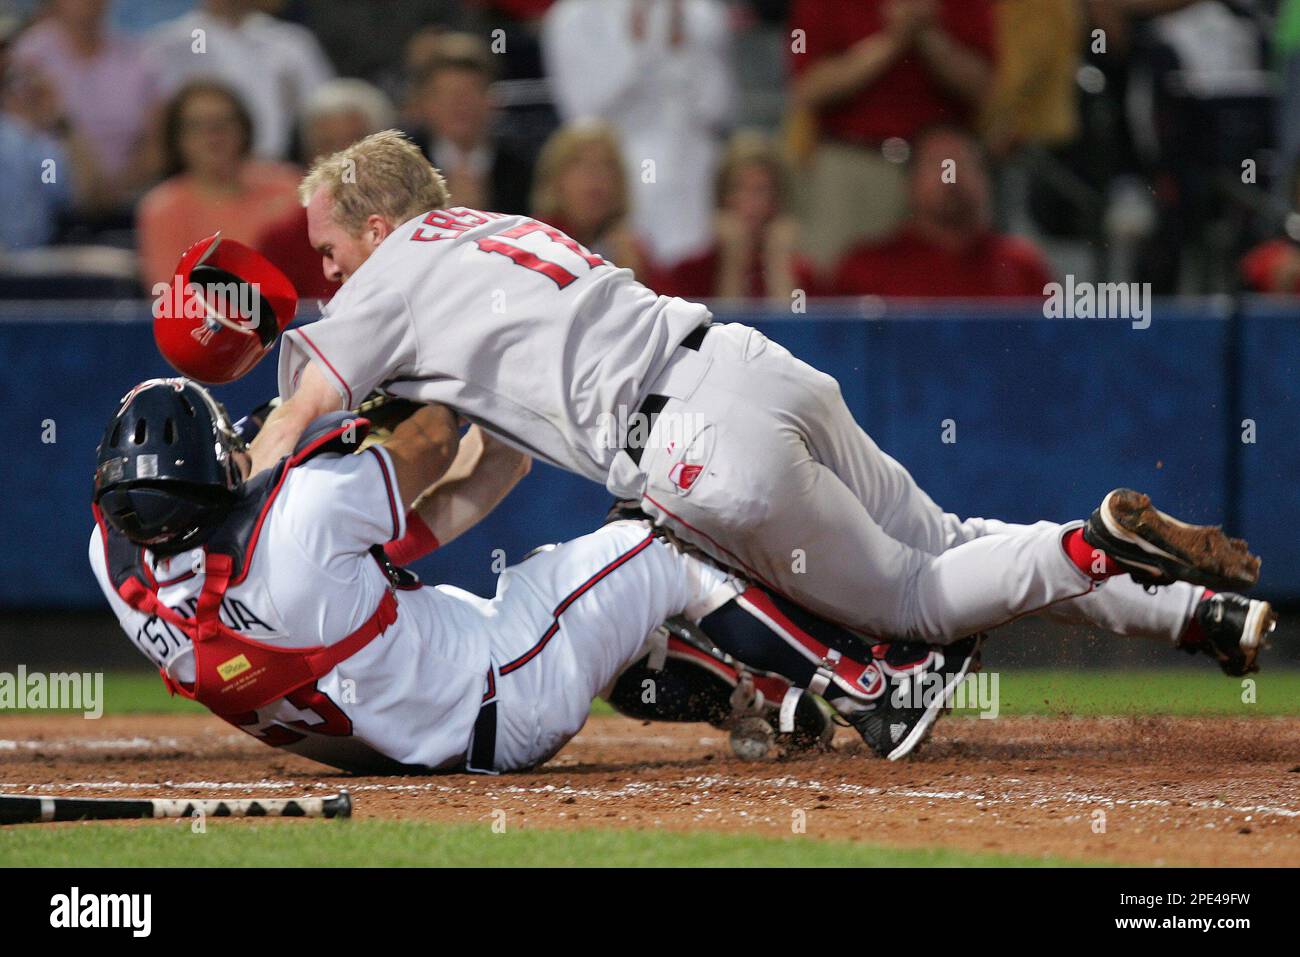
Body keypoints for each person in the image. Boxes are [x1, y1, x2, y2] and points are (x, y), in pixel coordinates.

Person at [181, 131, 1269, 667]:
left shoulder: (390, 273)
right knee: (946, 540)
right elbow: (502, 456)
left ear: (377, 226)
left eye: (331, 245)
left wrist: (239, 478)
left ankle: (1091, 545)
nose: (327, 271)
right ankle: (1197, 612)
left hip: (689, 443)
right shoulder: (497, 236)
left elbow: (301, 402)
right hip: (746, 361)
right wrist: (411, 543)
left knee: (918, 605)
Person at [89, 377, 988, 772]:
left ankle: (758, 698)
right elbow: (432, 438)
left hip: (420, 724)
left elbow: (420, 524)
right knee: (666, 532)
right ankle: (871, 685)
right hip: (504, 682)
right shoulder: (305, 515)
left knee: (603, 606)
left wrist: (506, 445)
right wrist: (421, 356)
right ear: (218, 473)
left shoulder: (117, 568)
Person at [787, 0, 996, 273]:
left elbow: (985, 88)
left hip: (943, 163)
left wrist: (929, 35)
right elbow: (808, 89)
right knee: (832, 283)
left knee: (958, 280)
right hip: (855, 162)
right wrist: (892, 39)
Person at [542, 0, 736, 270]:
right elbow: (582, 113)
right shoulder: (574, 16)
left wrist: (682, 54)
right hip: (621, 173)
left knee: (693, 286)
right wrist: (638, 51)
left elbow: (719, 109)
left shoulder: (703, 13)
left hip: (693, 176)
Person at [833, 126, 1055, 297]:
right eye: (937, 165)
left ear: (985, 178)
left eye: (964, 164)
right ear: (911, 182)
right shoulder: (866, 270)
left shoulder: (1022, 267)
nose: (951, 179)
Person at [135, 81, 300, 288]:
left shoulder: (288, 188)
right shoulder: (162, 209)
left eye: (224, 122)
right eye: (197, 125)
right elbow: (172, 295)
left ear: (244, 129)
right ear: (177, 138)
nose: (213, 134)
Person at [256, 79, 398, 301]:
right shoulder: (283, 242)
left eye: (354, 143)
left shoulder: (414, 228)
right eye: (327, 145)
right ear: (310, 159)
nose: (342, 159)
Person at [10, 0, 160, 206]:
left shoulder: (138, 56)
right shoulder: (28, 55)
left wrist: (116, 190)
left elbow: (156, 145)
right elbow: (18, 135)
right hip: (50, 198)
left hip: (124, 197)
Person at [144, 0, 334, 160]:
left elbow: (325, 114)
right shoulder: (169, 44)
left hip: (273, 164)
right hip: (193, 172)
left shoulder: (291, 42)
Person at [658, 131, 817, 302]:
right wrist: (732, 266)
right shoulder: (688, 274)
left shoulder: (805, 275)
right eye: (738, 189)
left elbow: (794, 328)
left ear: (778, 200)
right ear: (721, 196)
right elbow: (715, 328)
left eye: (760, 190)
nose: (749, 204)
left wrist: (780, 268)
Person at [406, 32, 533, 216]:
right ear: (425, 103)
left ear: (492, 100)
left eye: (469, 93)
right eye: (448, 95)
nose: (459, 105)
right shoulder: (402, 167)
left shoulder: (523, 168)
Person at [529, 121, 650, 280]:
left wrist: (635, 275)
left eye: (607, 164)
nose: (596, 174)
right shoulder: (536, 242)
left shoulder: (630, 247)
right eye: (580, 162)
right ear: (556, 178)